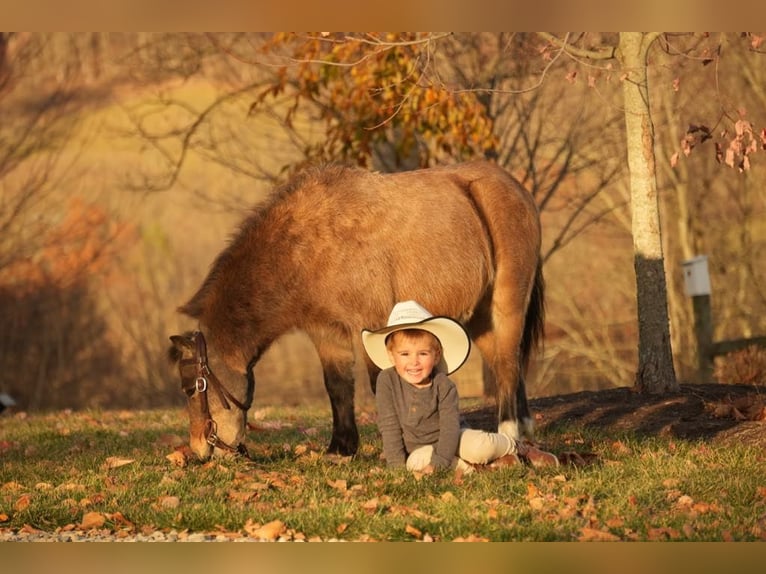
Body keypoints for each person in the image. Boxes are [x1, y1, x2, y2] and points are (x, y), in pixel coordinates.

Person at [362, 300, 558, 475]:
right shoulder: (386, 381)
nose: (414, 362)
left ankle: (517, 447)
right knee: (416, 462)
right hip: (419, 448)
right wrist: (396, 467)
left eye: (422, 354)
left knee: (480, 446)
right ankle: (483, 468)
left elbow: (449, 428)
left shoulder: (443, 385)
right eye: (404, 354)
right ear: (391, 355)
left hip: (454, 437)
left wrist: (439, 463)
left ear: (436, 355)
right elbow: (389, 426)